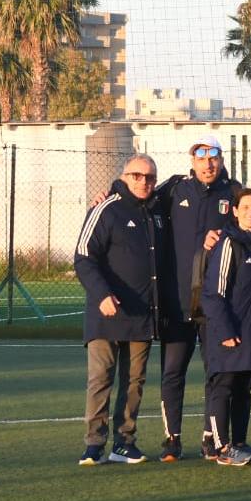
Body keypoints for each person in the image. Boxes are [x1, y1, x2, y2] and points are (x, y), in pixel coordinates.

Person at [150, 133, 240, 462]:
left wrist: (226, 233)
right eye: (201, 158)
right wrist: (113, 191)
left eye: (213, 157)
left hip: (213, 304)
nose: (208, 164)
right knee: (173, 372)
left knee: (215, 372)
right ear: (192, 161)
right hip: (177, 302)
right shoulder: (174, 189)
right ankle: (171, 439)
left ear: (221, 160)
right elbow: (139, 199)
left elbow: (249, 226)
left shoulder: (233, 192)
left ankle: (209, 436)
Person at [74, 154, 166, 466]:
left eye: (150, 177)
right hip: (107, 315)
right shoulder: (106, 208)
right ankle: (94, 444)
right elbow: (84, 257)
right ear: (124, 176)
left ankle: (125, 442)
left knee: (134, 381)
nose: (144, 182)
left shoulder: (156, 210)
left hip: (142, 315)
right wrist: (102, 295)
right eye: (137, 176)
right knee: (100, 379)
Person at [200, 187, 251, 467]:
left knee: (243, 389)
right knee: (223, 386)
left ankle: (240, 442)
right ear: (234, 211)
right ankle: (221, 447)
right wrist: (225, 331)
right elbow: (213, 293)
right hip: (230, 332)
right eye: (245, 207)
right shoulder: (229, 243)